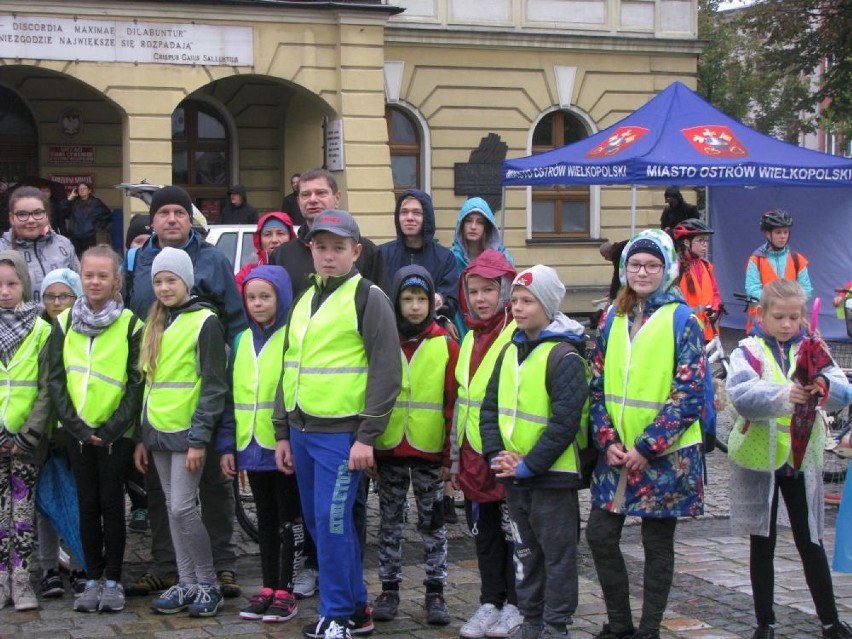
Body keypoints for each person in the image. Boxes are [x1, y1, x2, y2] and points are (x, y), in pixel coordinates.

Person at [272, 209, 401, 639]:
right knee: (319, 523)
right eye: (320, 246)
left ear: (356, 252)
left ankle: (338, 613)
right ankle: (357, 609)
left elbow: (387, 372)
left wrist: (367, 437)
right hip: (303, 432)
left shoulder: (369, 297)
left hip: (342, 438)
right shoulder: (305, 298)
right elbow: (288, 365)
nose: (328, 256)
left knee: (331, 522)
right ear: (310, 249)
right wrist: (282, 431)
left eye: (338, 248)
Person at [124, 185, 245, 600]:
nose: (172, 219)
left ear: (190, 218)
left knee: (203, 490)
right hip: (158, 416)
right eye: (164, 213)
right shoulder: (141, 261)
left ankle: (217, 570)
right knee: (166, 498)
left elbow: (235, 322)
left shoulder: (212, 262)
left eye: (180, 212)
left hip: (200, 405)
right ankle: (174, 571)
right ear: (153, 220)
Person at [586, 229, 705, 639]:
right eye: (635, 264)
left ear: (667, 269)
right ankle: (620, 624)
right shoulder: (611, 316)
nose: (642, 272)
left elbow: (689, 392)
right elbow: (597, 383)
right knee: (600, 535)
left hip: (664, 455)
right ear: (623, 269)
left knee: (657, 546)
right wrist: (607, 439)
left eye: (652, 265)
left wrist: (646, 445)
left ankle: (649, 629)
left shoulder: (682, 319)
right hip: (617, 453)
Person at [726, 279, 852, 639]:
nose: (786, 324)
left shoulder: (813, 348)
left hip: (802, 459)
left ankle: (829, 621)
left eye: (794, 317)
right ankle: (765, 622)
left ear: (803, 317)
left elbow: (842, 390)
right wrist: (786, 394)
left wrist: (824, 389)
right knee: (762, 542)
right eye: (778, 316)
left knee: (810, 540)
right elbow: (742, 394)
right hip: (758, 458)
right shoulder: (747, 350)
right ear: (761, 314)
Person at [480, 264, 589, 639]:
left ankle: (555, 624)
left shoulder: (564, 356)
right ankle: (531, 619)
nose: (518, 308)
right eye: (515, 301)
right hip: (514, 476)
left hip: (551, 478)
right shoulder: (511, 350)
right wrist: (497, 455)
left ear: (548, 305)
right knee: (525, 553)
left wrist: (530, 464)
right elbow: (490, 407)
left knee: (557, 556)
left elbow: (564, 423)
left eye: (528, 301)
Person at [47, 245, 144, 613]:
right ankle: (91, 576)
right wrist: (75, 425)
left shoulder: (131, 323)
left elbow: (136, 383)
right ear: (80, 276)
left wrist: (113, 427)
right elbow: (56, 378)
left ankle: (115, 577)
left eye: (103, 275)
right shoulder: (64, 321)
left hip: (113, 434)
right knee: (86, 504)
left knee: (111, 504)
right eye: (89, 275)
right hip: (77, 432)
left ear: (116, 280)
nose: (95, 281)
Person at [133, 247, 228, 617]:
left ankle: (208, 583)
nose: (164, 287)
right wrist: (143, 436)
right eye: (157, 281)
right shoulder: (155, 321)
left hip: (187, 432)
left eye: (171, 280)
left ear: (186, 281)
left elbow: (213, 386)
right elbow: (149, 383)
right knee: (173, 510)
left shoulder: (205, 321)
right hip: (157, 430)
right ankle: (187, 583)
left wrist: (199, 439)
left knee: (184, 508)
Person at [371, 266, 458, 626]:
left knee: (432, 524)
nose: (415, 306)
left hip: (428, 451)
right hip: (390, 449)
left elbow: (453, 403)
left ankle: (435, 590)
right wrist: (371, 445)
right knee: (389, 522)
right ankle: (389, 588)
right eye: (407, 299)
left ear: (431, 301)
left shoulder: (446, 344)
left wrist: (448, 460)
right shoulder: (383, 339)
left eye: (421, 299)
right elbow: (372, 393)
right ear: (396, 301)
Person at [217, 265, 302, 624]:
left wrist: (289, 438)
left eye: (265, 296)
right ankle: (269, 586)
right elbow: (230, 397)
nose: (258, 303)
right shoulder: (240, 340)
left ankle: (288, 589)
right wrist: (227, 446)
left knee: (288, 520)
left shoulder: (291, 338)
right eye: (251, 297)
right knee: (265, 520)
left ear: (280, 298)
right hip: (250, 445)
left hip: (281, 447)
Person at [450, 249, 523, 639]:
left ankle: (516, 602)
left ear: (505, 291)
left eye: (489, 291)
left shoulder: (516, 334)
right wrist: (454, 460)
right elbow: (464, 400)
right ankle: (490, 600)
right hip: (473, 454)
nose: (480, 299)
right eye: (474, 291)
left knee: (515, 536)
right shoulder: (470, 335)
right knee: (486, 534)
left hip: (507, 452)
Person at [0, 250, 52, 611]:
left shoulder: (41, 329)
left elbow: (47, 388)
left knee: (22, 512)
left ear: (25, 285)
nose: (4, 291)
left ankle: (21, 578)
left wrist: (27, 433)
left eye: (12, 284)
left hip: (25, 440)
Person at [35, 268, 86, 599]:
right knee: (45, 504)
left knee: (77, 501)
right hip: (41, 430)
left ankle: (81, 565)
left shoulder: (80, 329)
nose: (57, 302)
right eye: (50, 296)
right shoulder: (36, 331)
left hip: (75, 430)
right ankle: (49, 567)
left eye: (64, 296)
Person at [270, 168, 385, 296]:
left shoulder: (367, 252)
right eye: (305, 194)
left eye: (321, 193)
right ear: (298, 202)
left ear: (337, 198)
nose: (312, 199)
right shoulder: (281, 256)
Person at [379, 189, 459, 327]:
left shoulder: (445, 258)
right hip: (392, 333)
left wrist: (441, 298)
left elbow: (452, 301)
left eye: (416, 212)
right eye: (404, 212)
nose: (409, 217)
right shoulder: (382, 254)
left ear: (427, 217)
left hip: (430, 335)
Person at [0, 186, 80, 304]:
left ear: (47, 215)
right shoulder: (2, 250)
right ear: (12, 218)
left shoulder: (64, 244)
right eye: (22, 214)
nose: (31, 220)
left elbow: (80, 287)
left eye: (37, 213)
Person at [450, 197, 513, 339]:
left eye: (480, 222)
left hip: (497, 330)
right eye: (468, 221)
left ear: (487, 226)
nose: (473, 226)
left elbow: (509, 295)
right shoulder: (451, 259)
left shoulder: (503, 258)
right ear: (461, 224)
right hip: (461, 329)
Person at [745, 209, 812, 332]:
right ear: (767, 234)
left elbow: (806, 289)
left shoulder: (797, 259)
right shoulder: (756, 260)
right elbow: (752, 289)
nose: (782, 236)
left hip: (791, 322)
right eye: (778, 232)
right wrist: (777, 302)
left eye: (785, 232)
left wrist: (788, 304)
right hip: (763, 321)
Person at [672, 219, 722, 342]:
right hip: (684, 332)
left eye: (706, 240)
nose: (705, 244)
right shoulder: (675, 267)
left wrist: (715, 310)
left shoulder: (706, 266)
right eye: (700, 240)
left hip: (707, 332)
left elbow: (715, 293)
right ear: (686, 242)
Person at [235, 211, 296, 292]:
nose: (274, 240)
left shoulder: (300, 270)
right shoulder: (247, 273)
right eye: (267, 234)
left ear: (290, 237)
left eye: (280, 233)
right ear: (259, 240)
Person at [66, 183, 112, 257]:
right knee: (75, 257)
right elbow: (62, 212)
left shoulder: (95, 203)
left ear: (89, 190)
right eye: (80, 189)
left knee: (89, 255)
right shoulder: (74, 202)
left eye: (84, 188)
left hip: (89, 236)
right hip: (75, 236)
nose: (82, 190)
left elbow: (107, 215)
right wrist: (69, 199)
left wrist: (97, 227)